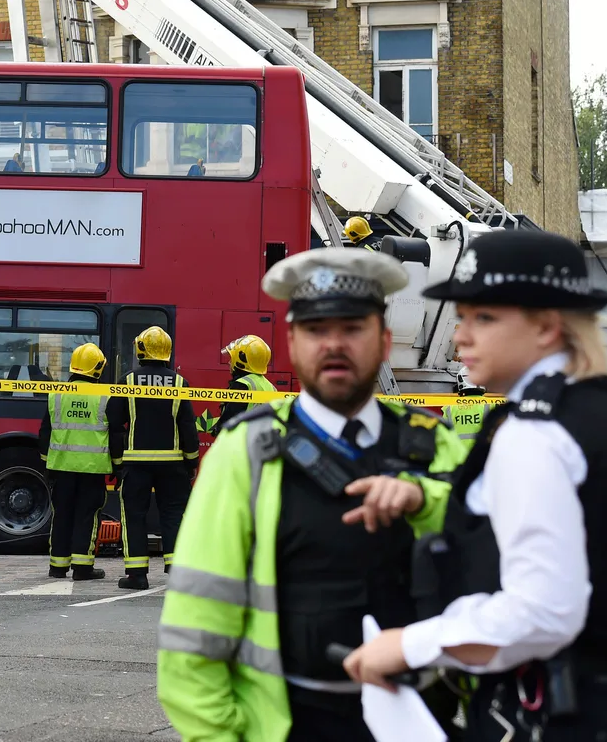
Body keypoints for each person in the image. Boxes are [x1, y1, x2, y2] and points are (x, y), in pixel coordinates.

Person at [341, 229, 607, 741]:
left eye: (483, 317)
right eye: (461, 318)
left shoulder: (536, 433)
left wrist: (410, 646)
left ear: (547, 326)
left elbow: (544, 611)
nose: (461, 337)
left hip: (563, 714)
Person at [157, 248, 468, 742]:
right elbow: (194, 627)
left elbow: (491, 571)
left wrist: (423, 500)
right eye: (317, 331)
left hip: (424, 720)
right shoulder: (246, 453)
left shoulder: (435, 445)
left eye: (352, 329)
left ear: (384, 341)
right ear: (292, 342)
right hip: (293, 724)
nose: (334, 345)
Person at [106, 326, 199, 590]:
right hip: (173, 465)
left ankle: (137, 575)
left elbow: (114, 425)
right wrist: (191, 462)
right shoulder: (180, 383)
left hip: (137, 464)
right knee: (174, 515)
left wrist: (117, 462)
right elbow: (188, 427)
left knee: (134, 515)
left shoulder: (127, 381)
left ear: (140, 349)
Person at [39, 342, 117, 582]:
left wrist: (46, 464)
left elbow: (45, 432)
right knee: (87, 516)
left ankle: (57, 566)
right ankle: (82, 567)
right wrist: (118, 464)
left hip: (61, 468)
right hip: (92, 470)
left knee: (61, 514)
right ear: (98, 368)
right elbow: (114, 433)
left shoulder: (57, 394)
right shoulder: (105, 396)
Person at [215, 334, 276, 430]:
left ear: (241, 360)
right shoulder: (271, 387)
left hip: (241, 441)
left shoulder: (242, 384)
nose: (229, 362)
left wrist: (218, 429)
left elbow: (230, 419)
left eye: (232, 358)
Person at [440, 366, 493, 449]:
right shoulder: (492, 404)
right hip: (483, 455)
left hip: (458, 456)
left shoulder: (449, 408)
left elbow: (443, 435)